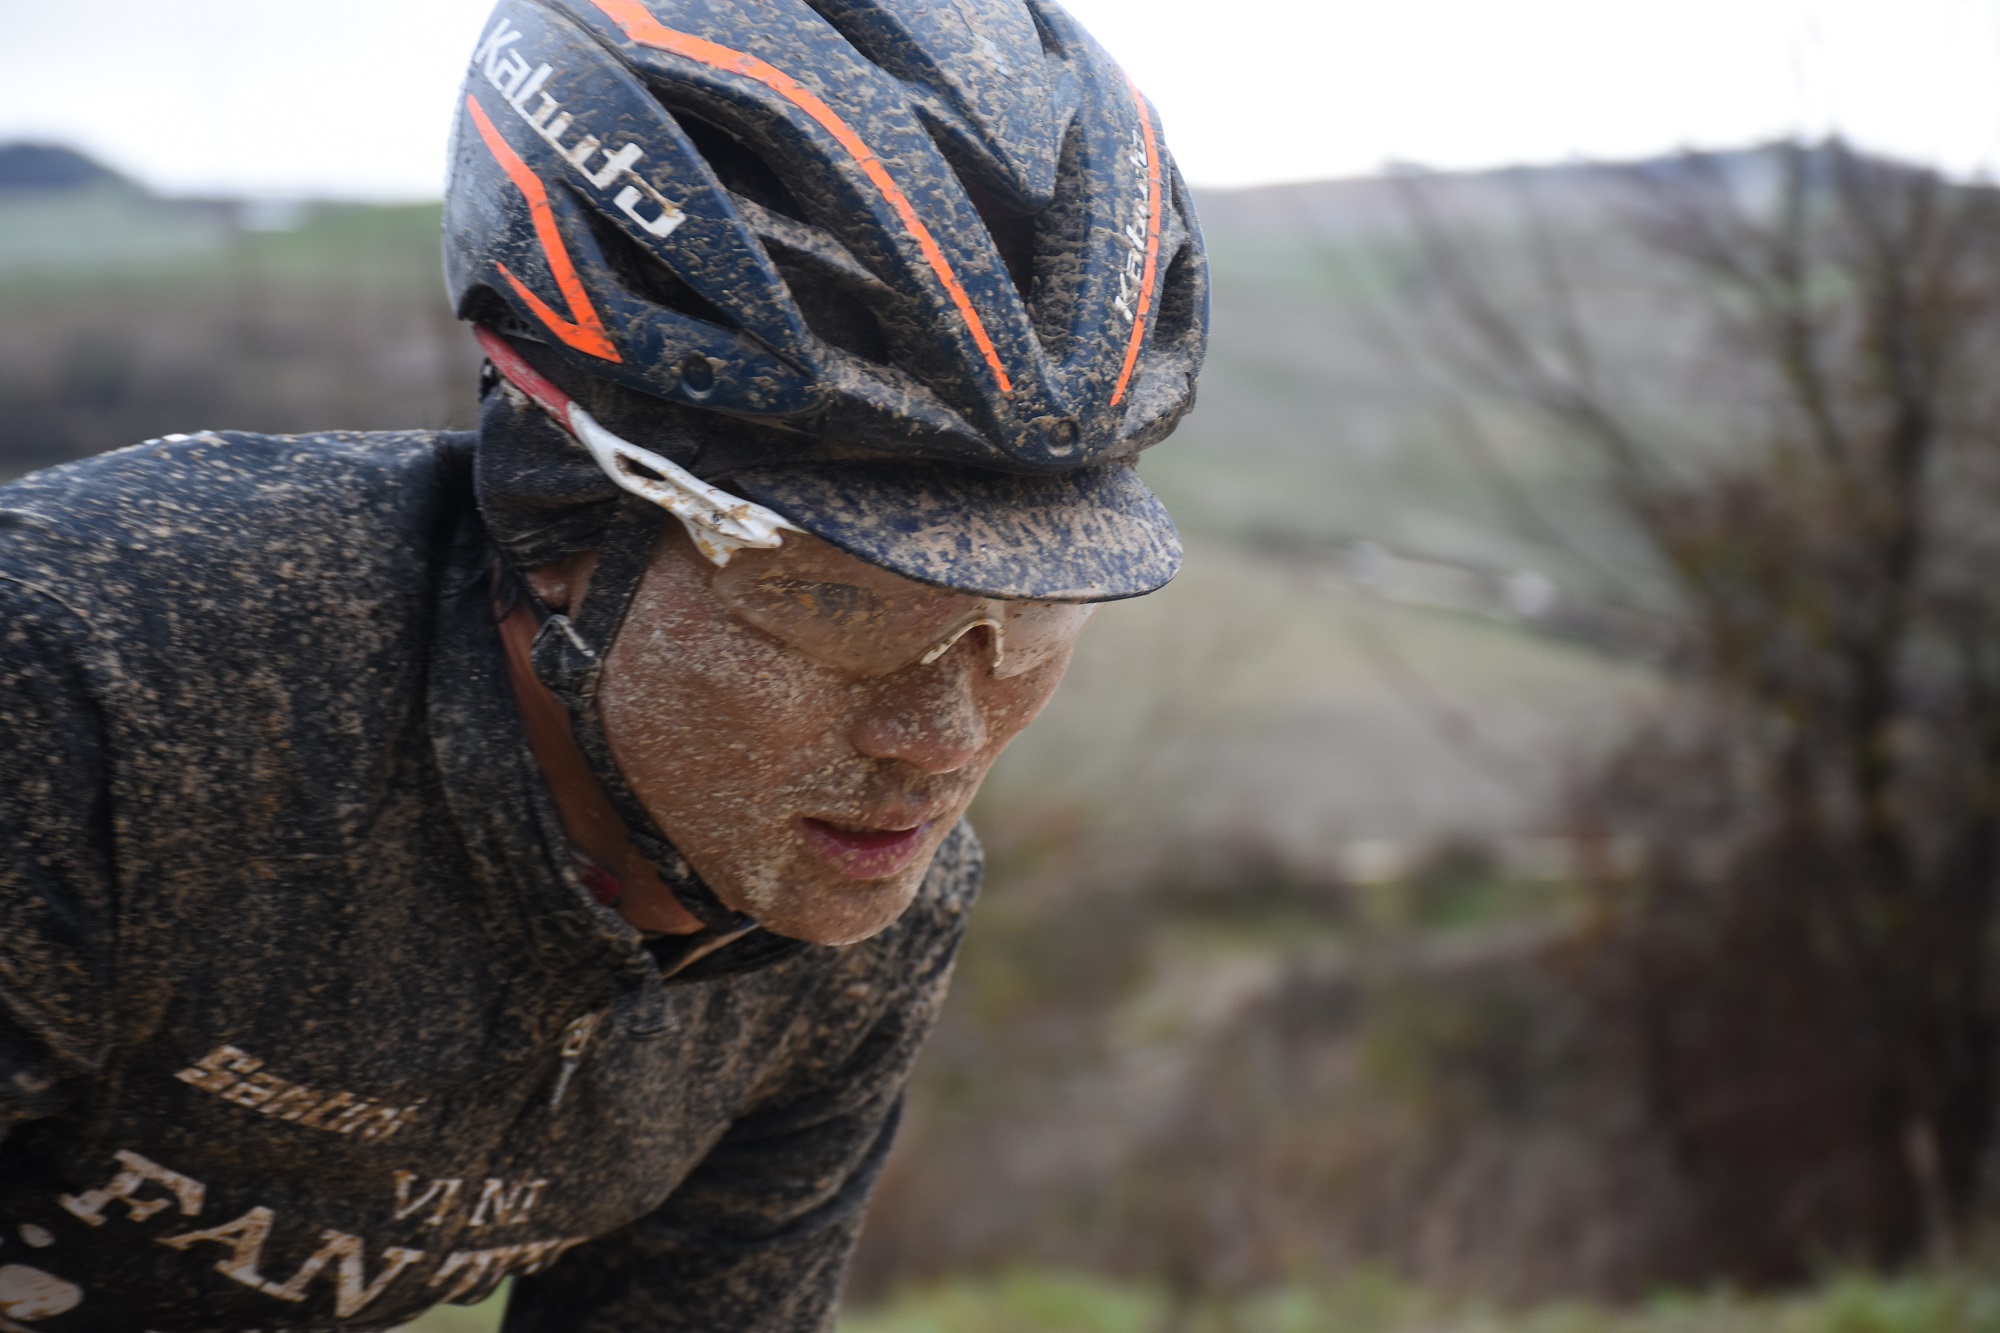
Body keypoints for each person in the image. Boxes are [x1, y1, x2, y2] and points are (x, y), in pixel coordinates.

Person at [0, 0, 1206, 1326]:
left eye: (1030, 623)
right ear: (562, 513)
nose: (935, 740)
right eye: (839, 604)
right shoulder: (94, 694)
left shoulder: (854, 916)